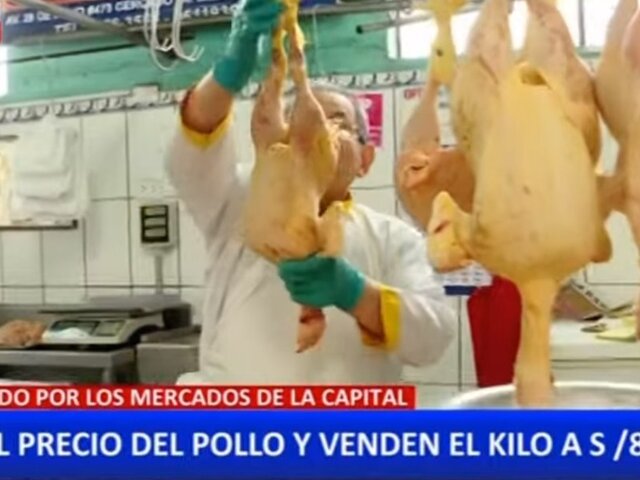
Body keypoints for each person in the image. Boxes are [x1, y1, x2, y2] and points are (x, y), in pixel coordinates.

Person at [167, 0, 456, 384]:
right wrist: (229, 72)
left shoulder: (392, 239)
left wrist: (354, 292)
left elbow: (434, 336)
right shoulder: (238, 198)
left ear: (365, 159)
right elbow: (191, 154)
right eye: (301, 120)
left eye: (337, 122)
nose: (316, 130)